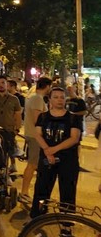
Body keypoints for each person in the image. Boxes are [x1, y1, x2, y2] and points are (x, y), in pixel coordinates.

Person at [29, 86, 82, 218]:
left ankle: (66, 223)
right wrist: (48, 151)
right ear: (50, 100)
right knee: (41, 189)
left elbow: (74, 138)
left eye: (62, 97)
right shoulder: (43, 117)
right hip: (47, 159)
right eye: (56, 97)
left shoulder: (73, 118)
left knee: (67, 192)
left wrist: (54, 149)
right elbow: (37, 134)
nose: (59, 100)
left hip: (68, 161)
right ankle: (37, 217)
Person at [18, 77, 50, 205]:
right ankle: (24, 192)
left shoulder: (33, 97)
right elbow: (38, 119)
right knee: (32, 165)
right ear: (47, 86)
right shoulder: (37, 98)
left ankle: (34, 193)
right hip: (35, 136)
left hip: (33, 135)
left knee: (35, 165)